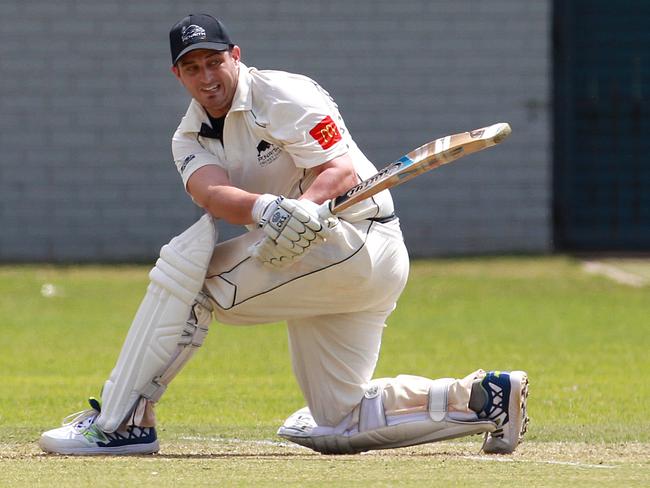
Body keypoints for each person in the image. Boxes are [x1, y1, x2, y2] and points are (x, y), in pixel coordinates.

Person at [39, 14, 528, 456]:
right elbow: (211, 194)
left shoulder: (283, 94)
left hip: (356, 242)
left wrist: (305, 209)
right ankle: (484, 398)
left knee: (188, 285)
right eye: (193, 69)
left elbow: (337, 169)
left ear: (236, 56)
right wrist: (268, 210)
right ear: (178, 76)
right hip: (314, 266)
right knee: (338, 418)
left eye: (214, 62)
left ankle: (122, 420)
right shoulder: (188, 137)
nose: (207, 78)